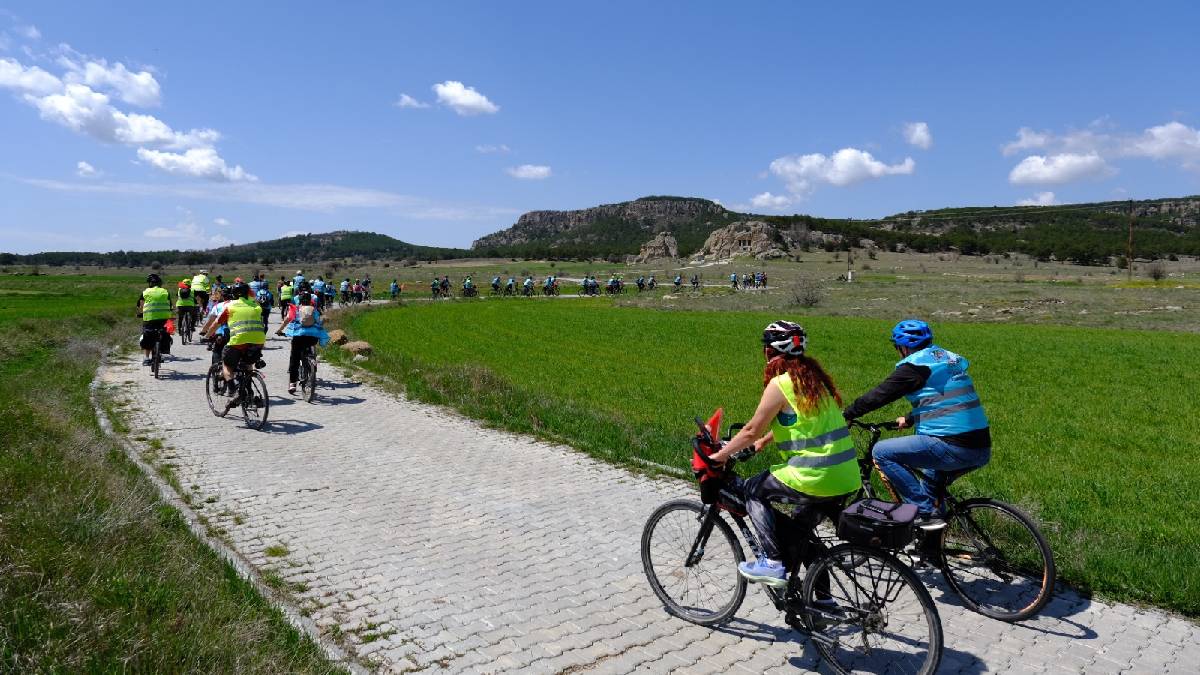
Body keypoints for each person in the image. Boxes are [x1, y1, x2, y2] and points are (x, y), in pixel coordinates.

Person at [707, 321, 859, 586]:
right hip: (846, 475)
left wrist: (719, 457)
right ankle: (823, 601)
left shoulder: (781, 384)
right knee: (800, 534)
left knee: (752, 489)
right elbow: (798, 422)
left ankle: (772, 563)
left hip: (815, 475)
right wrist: (764, 442)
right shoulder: (813, 381)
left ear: (768, 351)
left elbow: (750, 430)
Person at [842, 319, 991, 530]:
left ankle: (923, 512)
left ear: (902, 348)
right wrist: (910, 418)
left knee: (882, 452)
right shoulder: (944, 360)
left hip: (953, 447)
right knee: (930, 485)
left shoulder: (914, 367)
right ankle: (932, 542)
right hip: (980, 447)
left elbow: (880, 395)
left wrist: (848, 414)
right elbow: (946, 399)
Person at [208, 282, 265, 411]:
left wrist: (207, 335)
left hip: (238, 341)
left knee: (226, 364)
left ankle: (233, 390)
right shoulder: (256, 305)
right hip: (258, 341)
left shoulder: (230, 306)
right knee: (248, 364)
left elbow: (216, 323)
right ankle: (249, 392)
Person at [275, 290, 329, 394]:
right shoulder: (314, 310)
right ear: (310, 300)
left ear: (299, 300)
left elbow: (287, 320)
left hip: (299, 337)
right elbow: (319, 322)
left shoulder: (295, 309)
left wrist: (280, 330)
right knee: (309, 348)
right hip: (312, 338)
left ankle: (292, 383)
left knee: (294, 358)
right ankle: (311, 362)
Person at [136, 273, 173, 365]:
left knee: (147, 336)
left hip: (149, 319)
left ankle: (146, 358)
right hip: (164, 319)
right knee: (164, 333)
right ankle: (162, 352)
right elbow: (170, 305)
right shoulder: (165, 292)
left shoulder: (146, 292)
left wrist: (141, 313)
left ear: (150, 283)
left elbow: (141, 304)